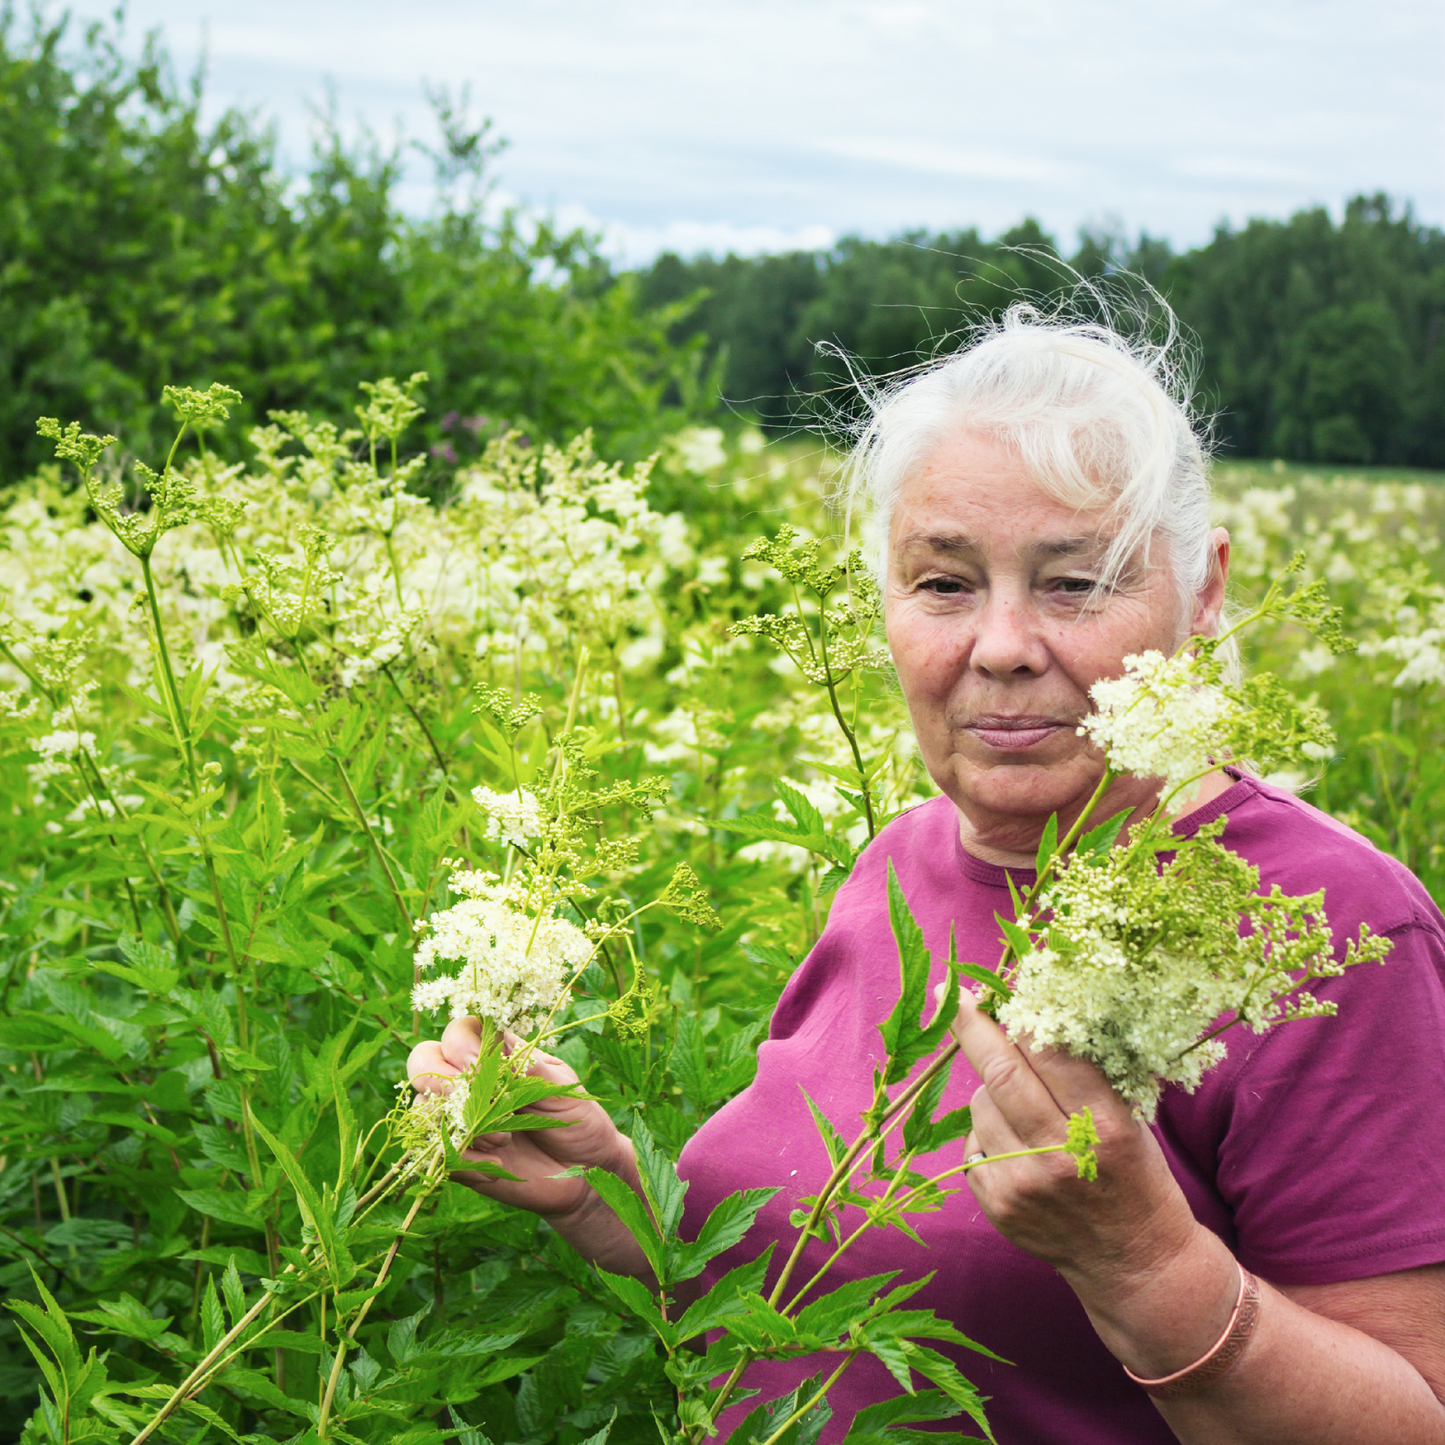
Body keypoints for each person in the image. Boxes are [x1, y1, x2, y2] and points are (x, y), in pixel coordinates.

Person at [409, 306, 1445, 1445]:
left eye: (1074, 582)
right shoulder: (897, 862)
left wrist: (1144, 1265)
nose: (1000, 643)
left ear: (1200, 593)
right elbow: (822, 1301)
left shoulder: (1331, 926)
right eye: (944, 582)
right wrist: (611, 1194)